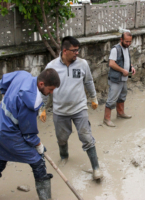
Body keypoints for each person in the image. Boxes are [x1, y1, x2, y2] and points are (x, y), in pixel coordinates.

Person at [0, 69, 60, 200]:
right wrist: (39, 145)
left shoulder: (23, 75)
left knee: (0, 158)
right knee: (38, 161)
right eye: (51, 89)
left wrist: (4, 97)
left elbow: (3, 81)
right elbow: (29, 135)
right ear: (41, 84)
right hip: (9, 133)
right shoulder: (29, 101)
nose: (51, 93)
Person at [39, 36, 103, 180]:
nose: (77, 53)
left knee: (86, 137)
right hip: (60, 111)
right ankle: (64, 157)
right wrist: (42, 108)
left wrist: (93, 98)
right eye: (74, 50)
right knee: (61, 138)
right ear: (64, 50)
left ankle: (96, 168)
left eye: (78, 50)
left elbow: (89, 82)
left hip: (79, 108)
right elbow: (45, 90)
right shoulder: (51, 66)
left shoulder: (82, 64)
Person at [103, 31, 136, 127]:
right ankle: (106, 119)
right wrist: (122, 70)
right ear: (121, 39)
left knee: (122, 96)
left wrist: (131, 67)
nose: (128, 43)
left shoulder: (126, 48)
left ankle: (120, 113)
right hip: (116, 79)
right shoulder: (115, 49)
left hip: (124, 78)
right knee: (112, 98)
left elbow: (127, 61)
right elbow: (111, 63)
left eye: (130, 42)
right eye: (126, 41)